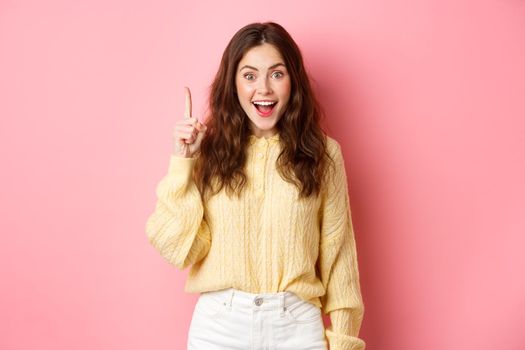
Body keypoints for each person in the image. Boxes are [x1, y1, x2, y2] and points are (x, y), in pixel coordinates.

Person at [145, 21, 366, 350]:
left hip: (297, 329)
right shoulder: (208, 150)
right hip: (219, 329)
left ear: (293, 81)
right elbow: (180, 249)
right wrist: (183, 164)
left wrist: (344, 341)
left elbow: (339, 259)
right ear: (233, 84)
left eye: (276, 74)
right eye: (249, 76)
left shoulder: (323, 154)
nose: (263, 88)